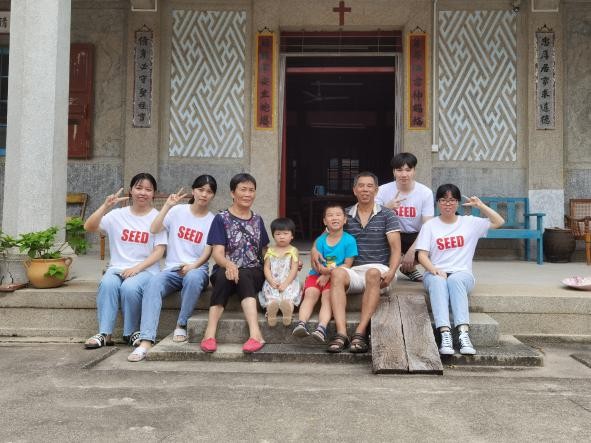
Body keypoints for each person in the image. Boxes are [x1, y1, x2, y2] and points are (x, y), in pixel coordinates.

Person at [128, 175, 217, 362]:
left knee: (193, 277)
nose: (204, 194)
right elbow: (154, 229)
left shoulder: (213, 220)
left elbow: (208, 251)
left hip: (197, 269)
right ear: (193, 191)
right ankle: (146, 340)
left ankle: (181, 324)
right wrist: (167, 206)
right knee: (153, 284)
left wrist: (193, 266)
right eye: (201, 190)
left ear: (213, 196)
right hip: (172, 270)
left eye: (209, 192)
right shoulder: (177, 211)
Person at [313, 172, 401, 353]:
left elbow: (396, 248)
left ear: (376, 190)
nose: (365, 189)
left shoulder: (388, 215)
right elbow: (323, 238)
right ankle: (341, 333)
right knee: (337, 272)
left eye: (369, 186)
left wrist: (392, 271)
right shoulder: (344, 214)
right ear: (354, 190)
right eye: (361, 186)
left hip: (379, 269)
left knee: (372, 273)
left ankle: (360, 332)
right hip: (353, 271)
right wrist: (314, 250)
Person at [416, 184, 504, 355]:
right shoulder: (430, 225)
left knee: (455, 280)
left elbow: (499, 222)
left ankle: (463, 333)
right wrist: (433, 269)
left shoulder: (469, 222)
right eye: (443, 200)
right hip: (435, 273)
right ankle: (445, 334)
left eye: (452, 200)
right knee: (438, 281)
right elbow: (422, 256)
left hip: (462, 274)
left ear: (457, 203)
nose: (447, 204)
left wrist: (480, 205)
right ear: (437, 203)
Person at [84, 173, 167, 349]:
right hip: (118, 268)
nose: (142, 192)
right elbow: (89, 226)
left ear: (154, 193)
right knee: (108, 284)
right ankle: (105, 334)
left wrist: (137, 268)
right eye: (138, 188)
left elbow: (159, 251)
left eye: (148, 189)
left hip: (146, 270)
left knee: (130, 287)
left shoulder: (157, 218)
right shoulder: (117, 215)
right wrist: (105, 206)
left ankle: (131, 332)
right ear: (131, 190)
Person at [200, 173, 269, 354]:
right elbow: (217, 253)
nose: (247, 194)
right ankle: (209, 333)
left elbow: (265, 251)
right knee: (224, 276)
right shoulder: (221, 219)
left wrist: (282, 262)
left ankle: (256, 334)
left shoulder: (257, 219)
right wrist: (229, 265)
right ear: (232, 193)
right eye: (243, 189)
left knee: (244, 273)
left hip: (253, 272)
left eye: (251, 190)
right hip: (226, 269)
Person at [293, 203, 357, 343]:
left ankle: (321, 328)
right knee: (310, 294)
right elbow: (315, 262)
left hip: (335, 279)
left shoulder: (349, 240)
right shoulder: (320, 241)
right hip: (316, 275)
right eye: (330, 215)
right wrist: (321, 271)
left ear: (345, 220)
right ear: (324, 221)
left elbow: (347, 264)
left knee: (327, 297)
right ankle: (301, 323)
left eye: (338, 215)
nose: (334, 218)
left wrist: (328, 274)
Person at [376, 152, 433, 282]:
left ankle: (408, 266)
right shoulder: (382, 190)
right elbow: (373, 220)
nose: (404, 174)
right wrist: (387, 207)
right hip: (390, 235)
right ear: (393, 172)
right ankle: (404, 267)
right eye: (399, 170)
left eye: (408, 170)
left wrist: (412, 252)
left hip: (415, 236)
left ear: (414, 171)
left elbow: (428, 226)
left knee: (435, 241)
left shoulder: (425, 192)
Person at [258, 217, 301, 327]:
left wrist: (286, 283)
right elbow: (266, 268)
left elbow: (294, 269)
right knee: (271, 298)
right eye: (278, 234)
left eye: (285, 233)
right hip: (273, 281)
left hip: (288, 281)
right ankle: (271, 312)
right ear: (273, 235)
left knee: (288, 298)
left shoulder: (293, 250)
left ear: (292, 235)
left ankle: (288, 312)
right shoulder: (270, 250)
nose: (281, 236)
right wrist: (270, 281)